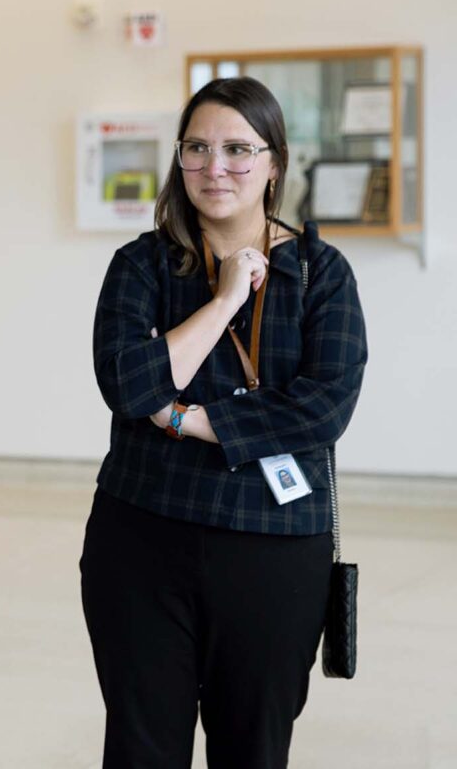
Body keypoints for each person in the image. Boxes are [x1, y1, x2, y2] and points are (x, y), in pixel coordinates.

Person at [82, 76, 367, 768]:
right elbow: (126, 384)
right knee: (141, 749)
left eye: (239, 148)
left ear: (274, 162)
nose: (216, 167)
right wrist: (226, 298)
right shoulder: (142, 265)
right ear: (178, 160)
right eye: (197, 148)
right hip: (142, 539)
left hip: (274, 550)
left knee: (253, 750)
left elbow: (325, 405)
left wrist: (184, 417)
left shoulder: (320, 272)